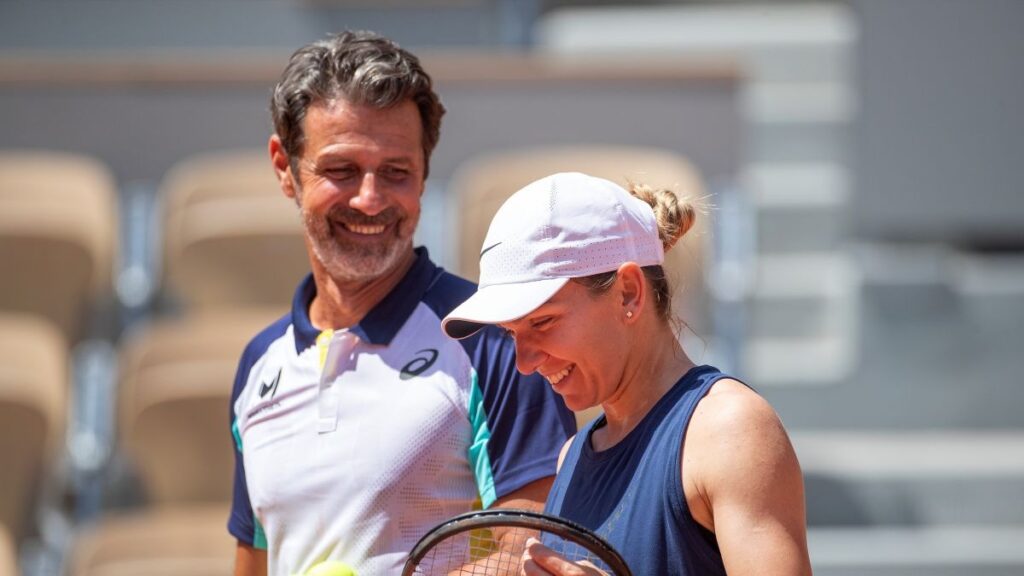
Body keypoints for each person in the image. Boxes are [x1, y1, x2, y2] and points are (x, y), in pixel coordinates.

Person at [227, 31, 575, 576]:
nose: (370, 199)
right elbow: (255, 560)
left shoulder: (496, 339)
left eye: (396, 172)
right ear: (283, 167)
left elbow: (529, 555)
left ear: (424, 173)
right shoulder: (258, 364)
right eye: (341, 170)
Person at [442, 172, 812, 575]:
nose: (524, 362)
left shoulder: (731, 431)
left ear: (629, 293)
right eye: (511, 332)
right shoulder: (572, 457)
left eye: (543, 322)